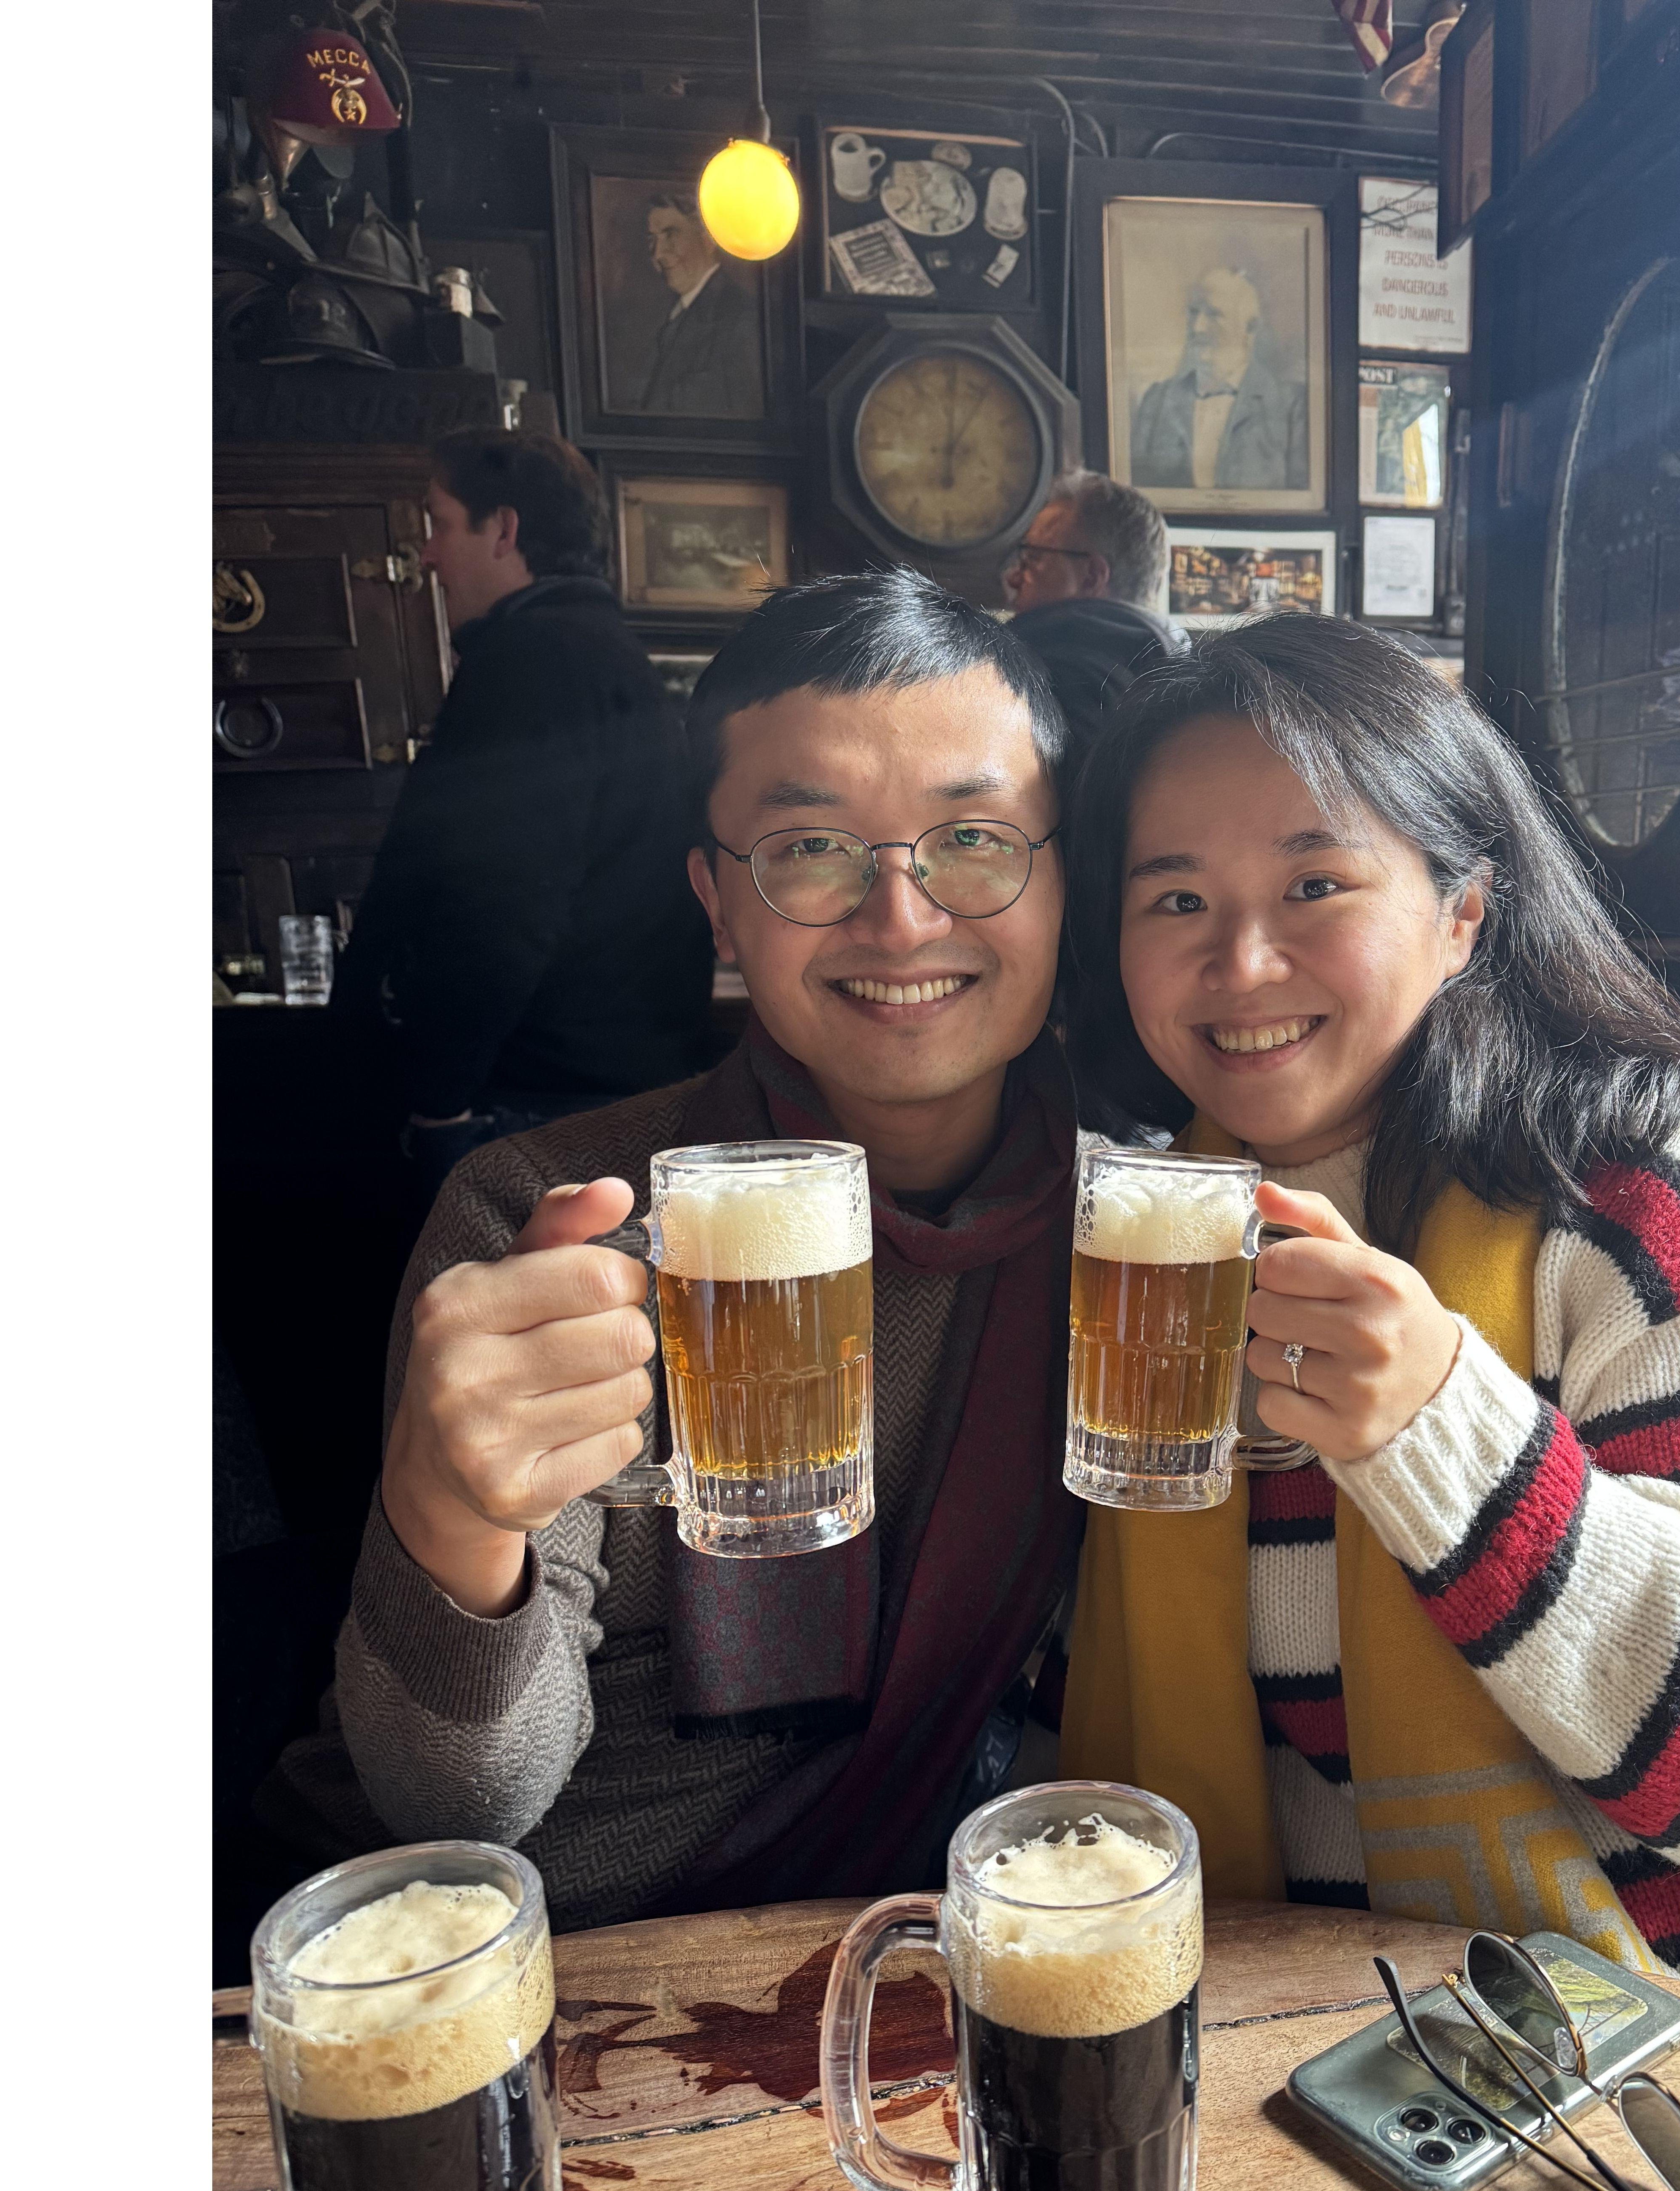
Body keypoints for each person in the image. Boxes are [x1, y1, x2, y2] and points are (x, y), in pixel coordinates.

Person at [1055, 614, 1680, 2089]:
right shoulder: (1149, 1252)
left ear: (1464, 912)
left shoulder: (1644, 1198)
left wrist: (1443, 1427)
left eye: (1317, 882)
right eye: (1174, 898)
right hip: (1402, 2077)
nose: (1241, 959)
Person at [266, 570, 1083, 1925]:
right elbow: (462, 1799)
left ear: (1060, 875)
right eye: (811, 849)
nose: (900, 917)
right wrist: (453, 1518)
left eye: (974, 838)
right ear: (716, 899)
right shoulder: (546, 1212)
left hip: (905, 1954)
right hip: (524, 1950)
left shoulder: (1138, 1244)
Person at [337, 431, 715, 1196]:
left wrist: (439, 1101)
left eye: (439, 523)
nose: (429, 556)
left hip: (531, 1102)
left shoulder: (532, 661)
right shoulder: (601, 652)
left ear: (504, 529)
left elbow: (497, 904)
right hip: (600, 1084)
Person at [1000, 472, 1184, 754]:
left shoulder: (1055, 675)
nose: (1014, 578)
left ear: (1092, 576)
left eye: (1033, 559)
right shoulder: (1184, 676)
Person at [1130, 266, 1310, 493]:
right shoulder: (1157, 401)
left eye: (1214, 315)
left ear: (1251, 327)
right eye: (1194, 313)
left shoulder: (1291, 407)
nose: (1198, 328)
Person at [639, 189, 760, 418]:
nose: (657, 254)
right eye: (651, 240)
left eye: (670, 235)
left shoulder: (740, 320)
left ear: (708, 238)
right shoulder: (676, 314)